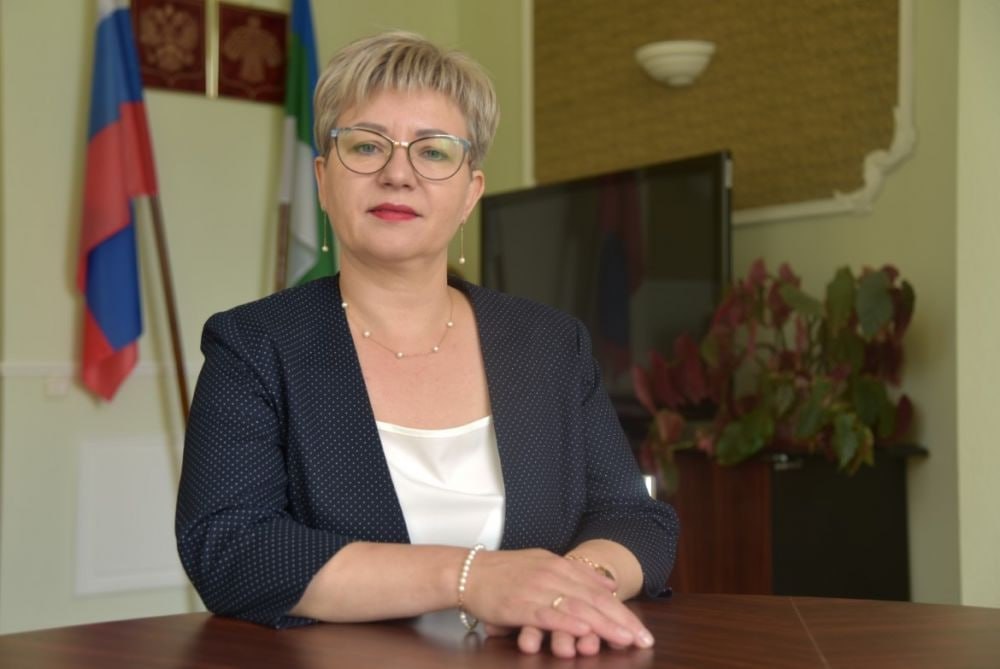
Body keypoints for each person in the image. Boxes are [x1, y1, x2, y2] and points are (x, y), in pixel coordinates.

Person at [175, 31, 679, 659]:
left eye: (434, 152)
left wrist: (566, 592)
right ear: (324, 180)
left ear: (470, 192)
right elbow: (231, 547)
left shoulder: (552, 343)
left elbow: (637, 519)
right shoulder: (254, 345)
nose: (397, 174)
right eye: (366, 146)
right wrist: (473, 579)